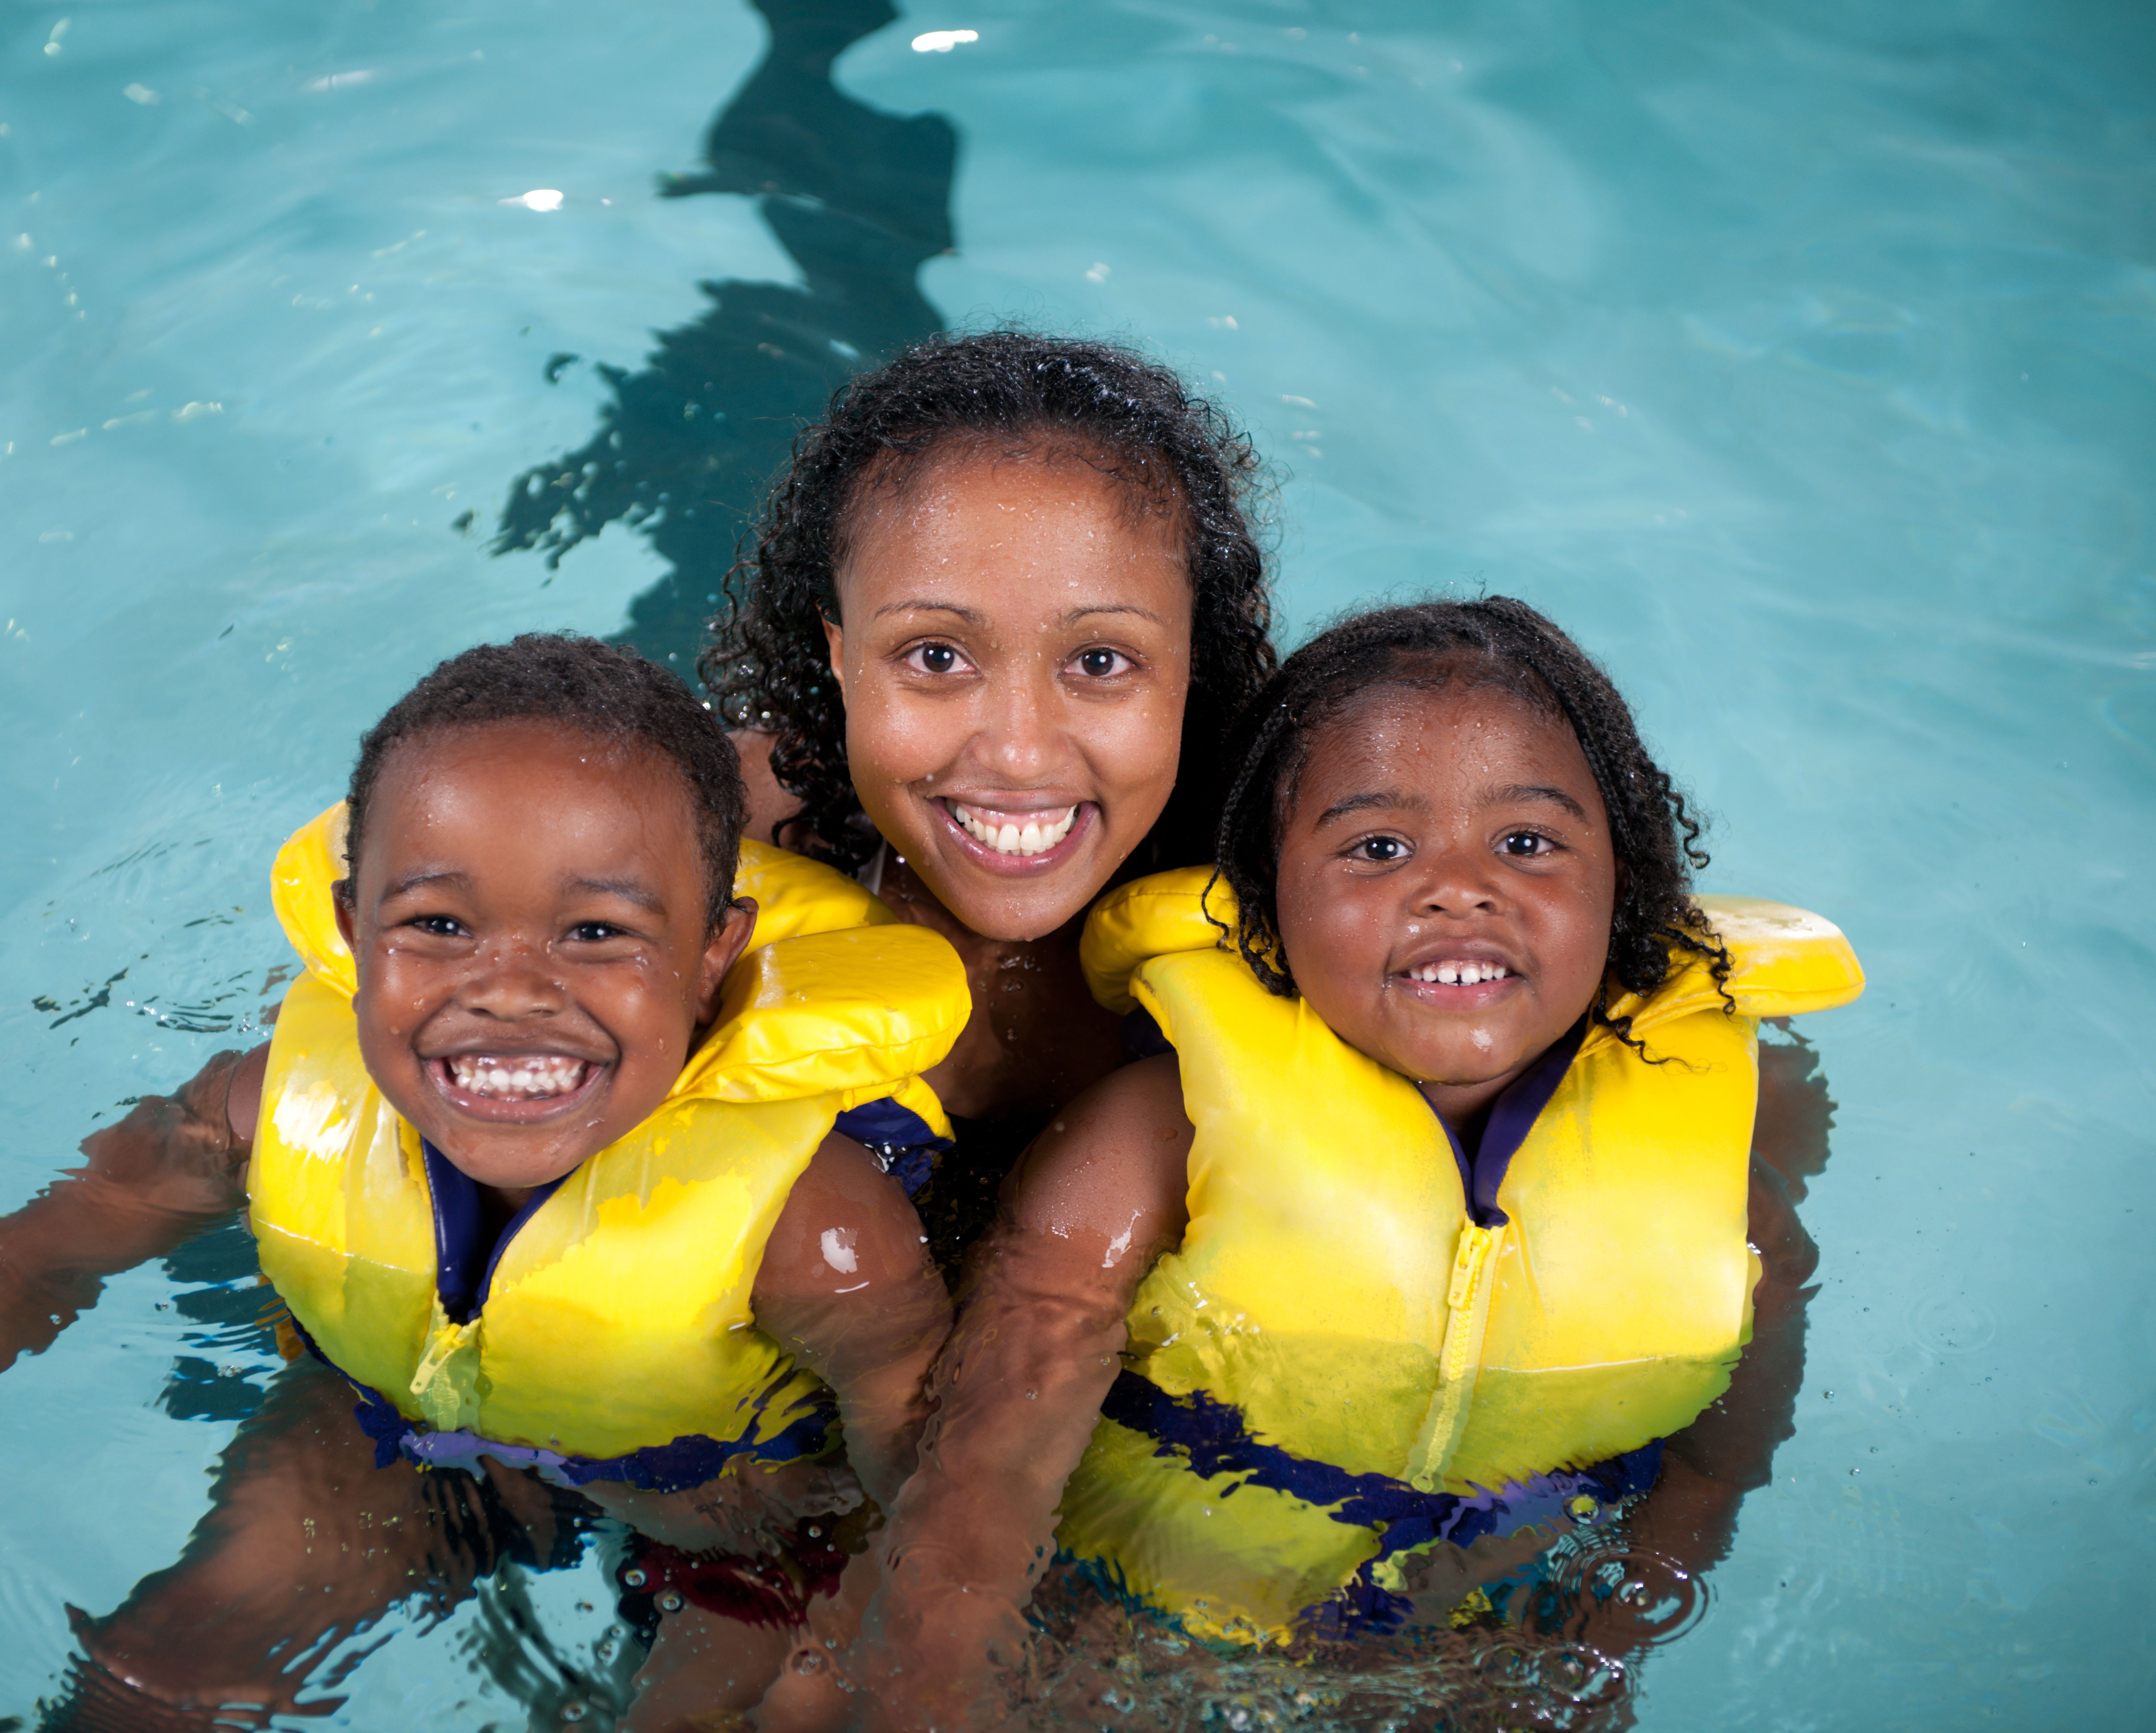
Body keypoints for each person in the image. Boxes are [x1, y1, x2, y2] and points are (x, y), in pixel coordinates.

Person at [0, 635, 969, 1733]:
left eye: (595, 933)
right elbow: (11, 1270)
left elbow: (933, 1490)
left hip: (735, 1523)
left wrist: (862, 1650)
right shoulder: (262, 1114)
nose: (510, 989)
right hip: (397, 1430)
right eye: (438, 926)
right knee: (155, 1682)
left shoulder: (812, 1231)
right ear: (351, 922)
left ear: (715, 955)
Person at [784, 597, 1866, 1729]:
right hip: (1131, 1627)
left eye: (1527, 842)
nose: (1459, 886)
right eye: (1379, 847)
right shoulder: (1155, 1143)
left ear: (1624, 885)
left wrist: (1602, 1650)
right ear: (1263, 898)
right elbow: (986, 1471)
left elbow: (1712, 1475)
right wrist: (949, 1684)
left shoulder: (1730, 1210)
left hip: (1487, 1645)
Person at [703, 330, 1278, 1272]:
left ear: (1193, 664)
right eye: (936, 656)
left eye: (1100, 661)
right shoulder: (707, 839)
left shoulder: (1321, 890)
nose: (1017, 752)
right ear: (841, 652)